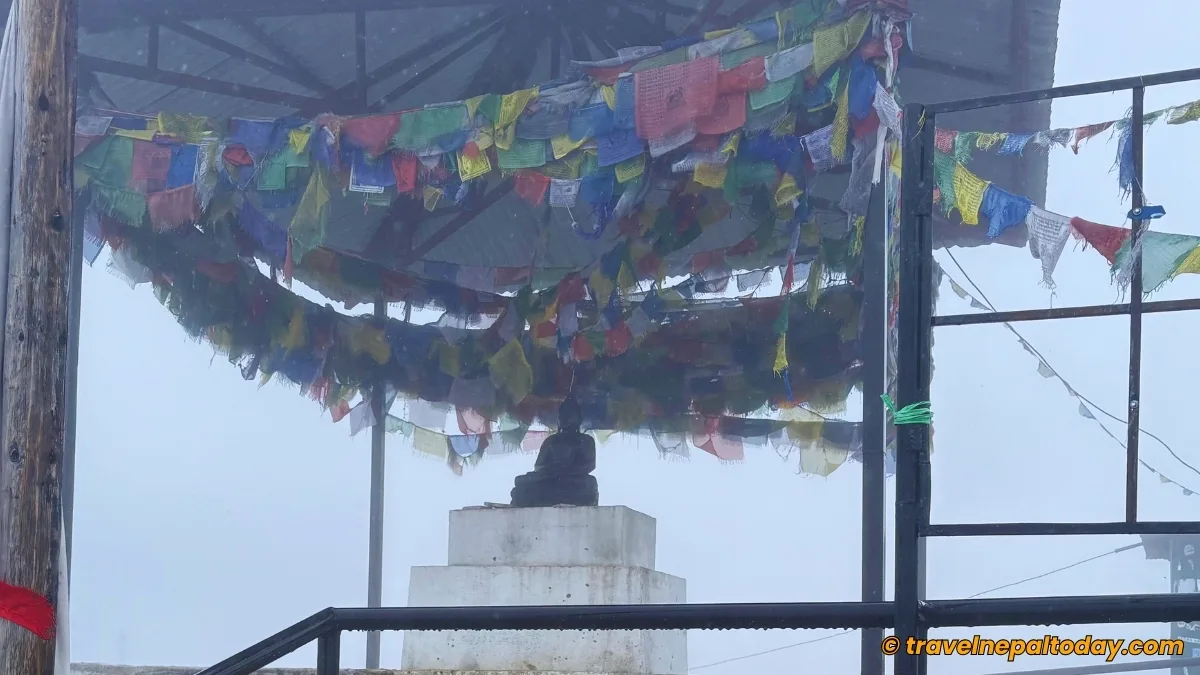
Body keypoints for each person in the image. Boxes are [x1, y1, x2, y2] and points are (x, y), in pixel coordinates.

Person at [509, 396, 598, 507]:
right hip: (551, 478)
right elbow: (539, 465)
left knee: (590, 483)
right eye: (564, 416)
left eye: (571, 416)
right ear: (559, 420)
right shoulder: (551, 440)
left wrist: (567, 470)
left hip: (574, 481)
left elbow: (589, 465)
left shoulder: (586, 440)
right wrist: (554, 470)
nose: (567, 419)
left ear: (579, 419)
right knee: (522, 482)